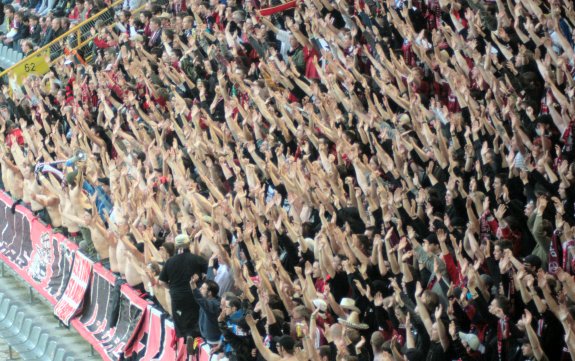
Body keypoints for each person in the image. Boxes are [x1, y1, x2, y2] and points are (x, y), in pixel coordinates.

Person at [159, 234, 207, 339]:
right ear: (188, 245)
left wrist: (172, 288)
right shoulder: (197, 259)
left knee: (181, 318)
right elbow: (206, 275)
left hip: (177, 295)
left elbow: (162, 282)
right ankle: (195, 337)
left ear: (176, 246)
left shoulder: (169, 261)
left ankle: (185, 338)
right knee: (195, 317)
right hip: (193, 294)